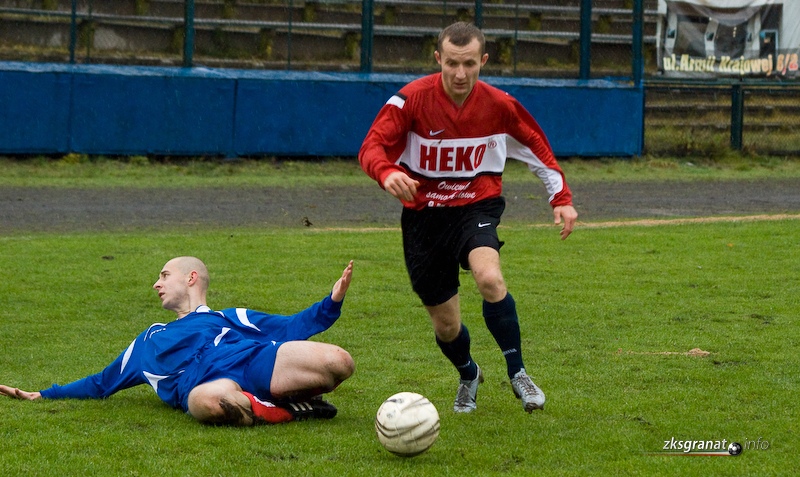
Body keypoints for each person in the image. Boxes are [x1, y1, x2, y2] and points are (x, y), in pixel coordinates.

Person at [358, 22, 577, 414]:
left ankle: (519, 373)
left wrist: (560, 197)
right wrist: (386, 172)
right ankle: (469, 373)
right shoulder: (410, 100)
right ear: (438, 58)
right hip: (424, 218)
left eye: (470, 64)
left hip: (477, 206)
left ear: (483, 61)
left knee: (489, 278)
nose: (460, 74)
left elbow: (536, 146)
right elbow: (372, 146)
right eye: (452, 63)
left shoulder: (500, 105)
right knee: (446, 326)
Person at [0, 256, 355, 426]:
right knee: (205, 403)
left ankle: (274, 398)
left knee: (340, 362)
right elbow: (100, 383)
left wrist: (332, 300)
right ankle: (292, 409)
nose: (156, 283)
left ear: (191, 278)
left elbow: (291, 327)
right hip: (208, 385)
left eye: (164, 275)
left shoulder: (231, 316)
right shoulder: (149, 340)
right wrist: (43, 394)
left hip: (253, 361)